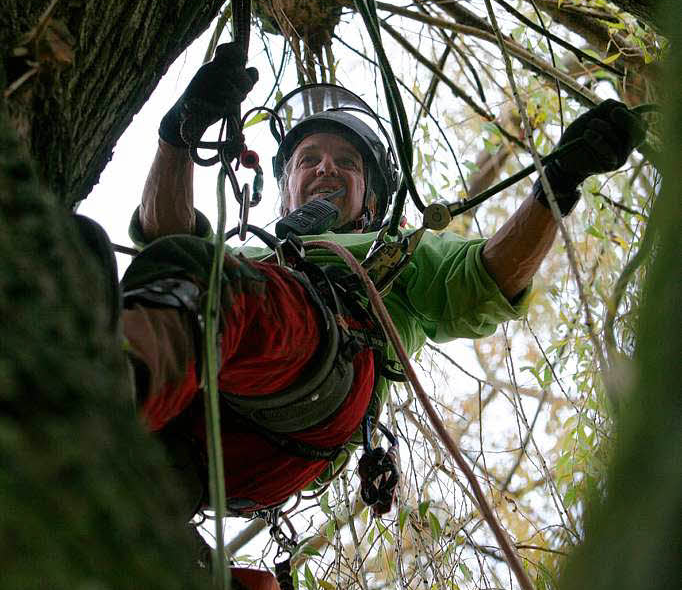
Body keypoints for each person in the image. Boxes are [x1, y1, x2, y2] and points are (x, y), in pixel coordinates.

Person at [120, 43, 645, 518]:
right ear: (284, 192)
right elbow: (166, 242)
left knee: (211, 284)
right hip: (196, 410)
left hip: (313, 397)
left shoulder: (395, 253)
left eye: (346, 163)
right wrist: (178, 135)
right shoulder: (252, 256)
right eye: (310, 160)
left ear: (371, 202)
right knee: (141, 271)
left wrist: (559, 181)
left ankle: (104, 391)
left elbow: (486, 277)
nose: (326, 168)